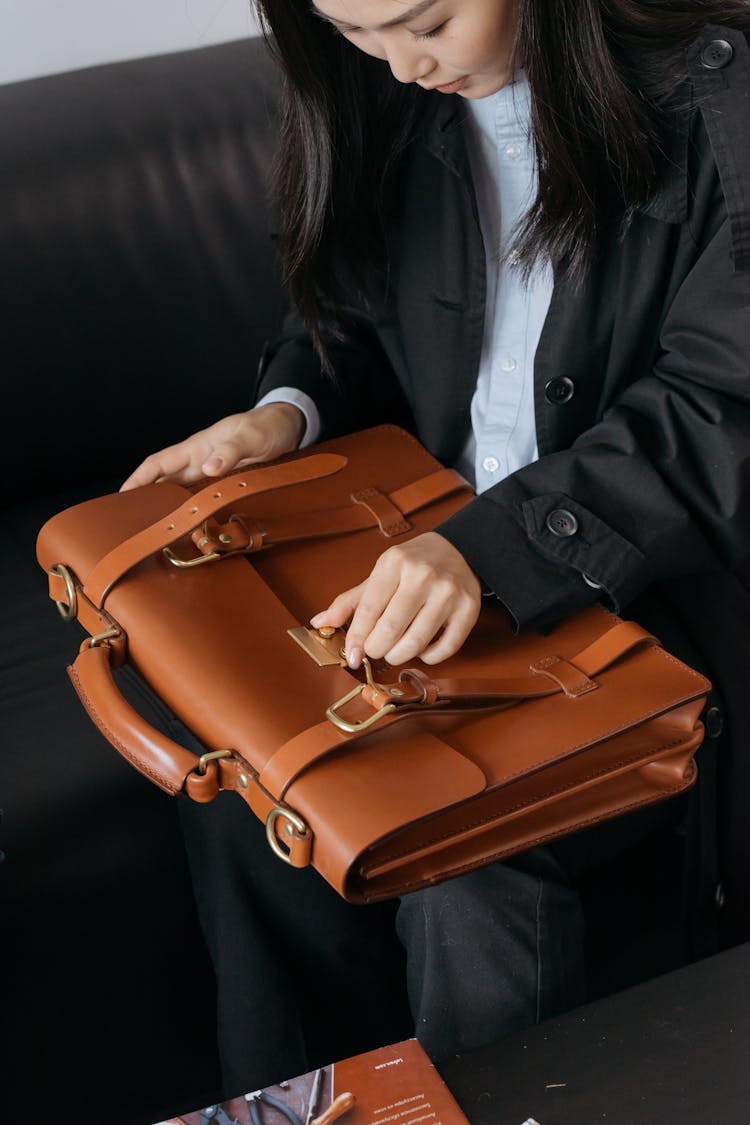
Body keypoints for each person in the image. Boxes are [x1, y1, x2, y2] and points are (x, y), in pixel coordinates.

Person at [123, 0, 750, 1098]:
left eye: (427, 21)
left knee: (472, 860)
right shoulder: (384, 90)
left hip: (646, 604)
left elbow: (722, 409)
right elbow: (349, 320)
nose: (403, 66)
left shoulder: (720, 100)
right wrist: (282, 416)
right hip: (427, 594)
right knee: (247, 792)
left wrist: (494, 547)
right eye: (358, 33)